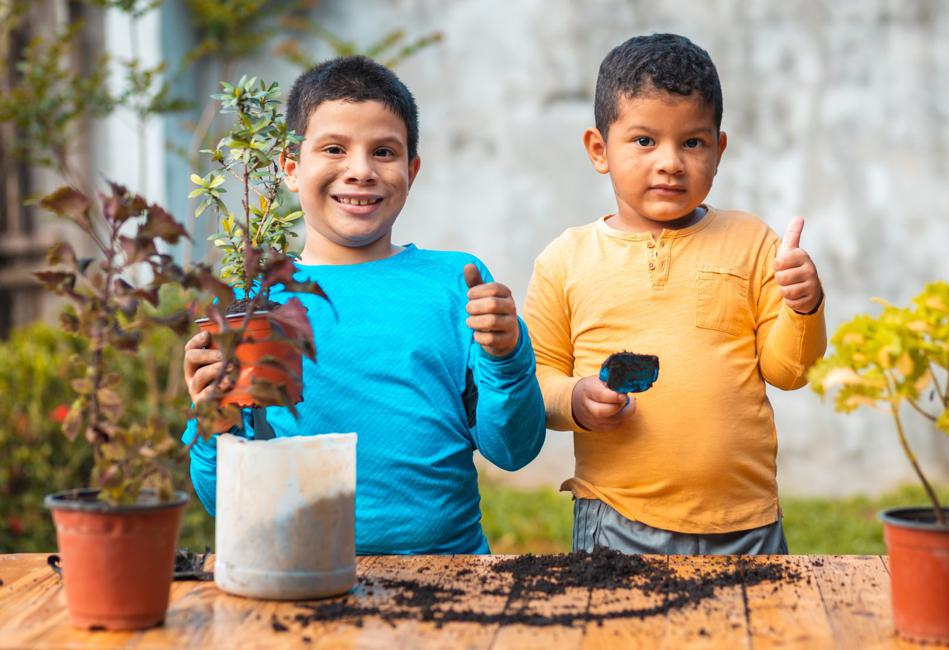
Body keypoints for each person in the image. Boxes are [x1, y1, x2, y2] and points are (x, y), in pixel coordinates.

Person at [182, 56, 546, 555]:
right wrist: (214, 420)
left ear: (412, 171)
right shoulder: (255, 308)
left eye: (384, 152)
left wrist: (508, 355)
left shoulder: (455, 284)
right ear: (290, 168)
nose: (360, 171)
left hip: (446, 575)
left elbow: (514, 450)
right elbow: (226, 502)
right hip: (299, 573)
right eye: (334, 148)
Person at [523, 33, 826, 554]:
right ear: (599, 149)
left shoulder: (752, 241)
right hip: (618, 516)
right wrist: (574, 399)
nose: (671, 162)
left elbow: (789, 372)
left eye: (692, 142)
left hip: (745, 521)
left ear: (718, 149)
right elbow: (537, 378)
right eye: (645, 141)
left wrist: (804, 306)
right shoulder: (565, 259)